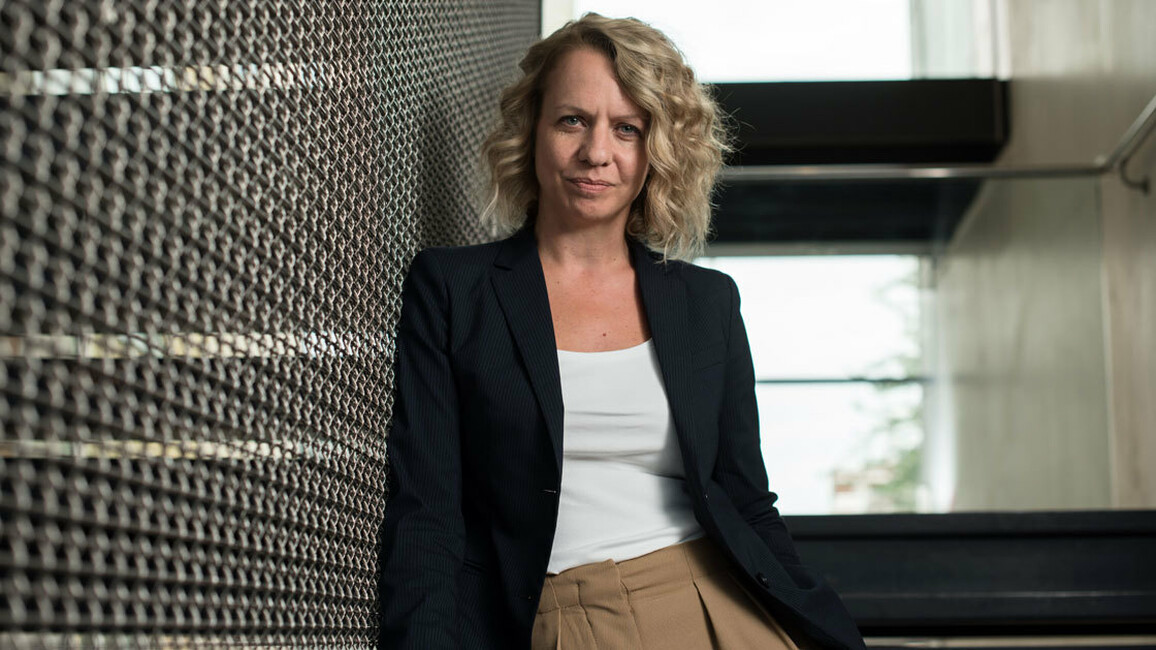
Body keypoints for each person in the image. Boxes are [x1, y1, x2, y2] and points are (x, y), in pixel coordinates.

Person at [377, 13, 866, 650]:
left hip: (724, 598)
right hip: (569, 611)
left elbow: (745, 499)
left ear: (657, 150)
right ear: (533, 131)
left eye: (627, 129)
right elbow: (427, 511)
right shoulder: (454, 289)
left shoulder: (706, 302)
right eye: (572, 120)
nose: (596, 153)